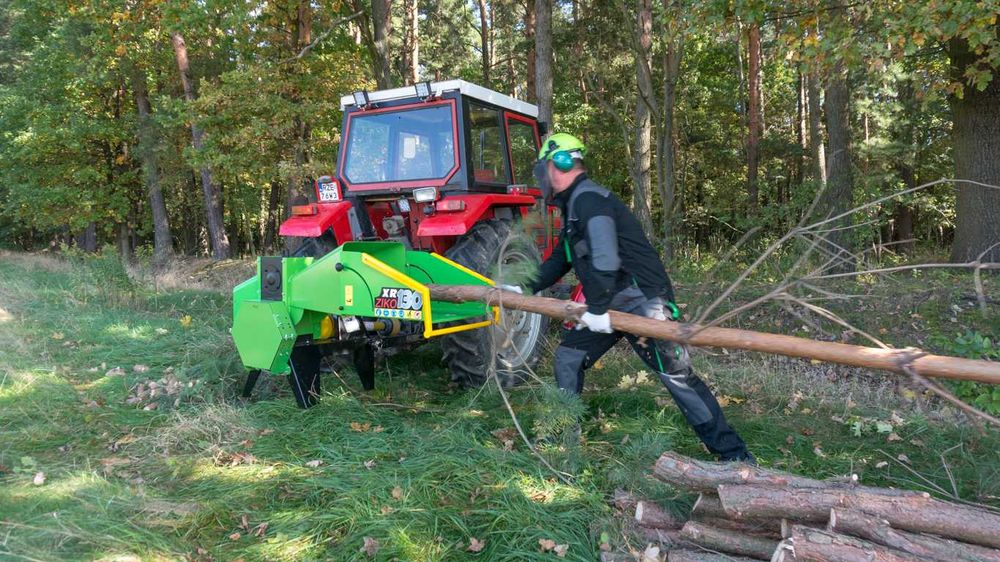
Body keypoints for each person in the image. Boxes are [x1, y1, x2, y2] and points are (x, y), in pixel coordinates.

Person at [512, 132, 754, 463]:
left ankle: (735, 456)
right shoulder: (573, 209)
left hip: (644, 302)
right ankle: (562, 437)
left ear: (561, 163)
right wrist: (523, 286)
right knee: (568, 358)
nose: (543, 177)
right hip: (609, 303)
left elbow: (606, 259)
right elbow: (560, 260)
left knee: (677, 377)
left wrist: (596, 308)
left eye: (545, 168)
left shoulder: (591, 201)